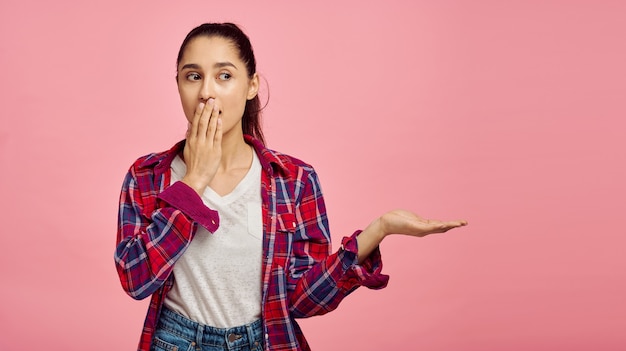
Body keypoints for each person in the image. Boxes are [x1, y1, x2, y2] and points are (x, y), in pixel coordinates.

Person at [115, 22, 467, 351]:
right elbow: (136, 280)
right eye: (193, 76)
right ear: (178, 84)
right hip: (176, 341)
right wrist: (193, 184)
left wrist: (379, 230)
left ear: (251, 85)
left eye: (224, 76)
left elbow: (302, 301)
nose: (207, 92)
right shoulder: (148, 176)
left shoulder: (295, 180)